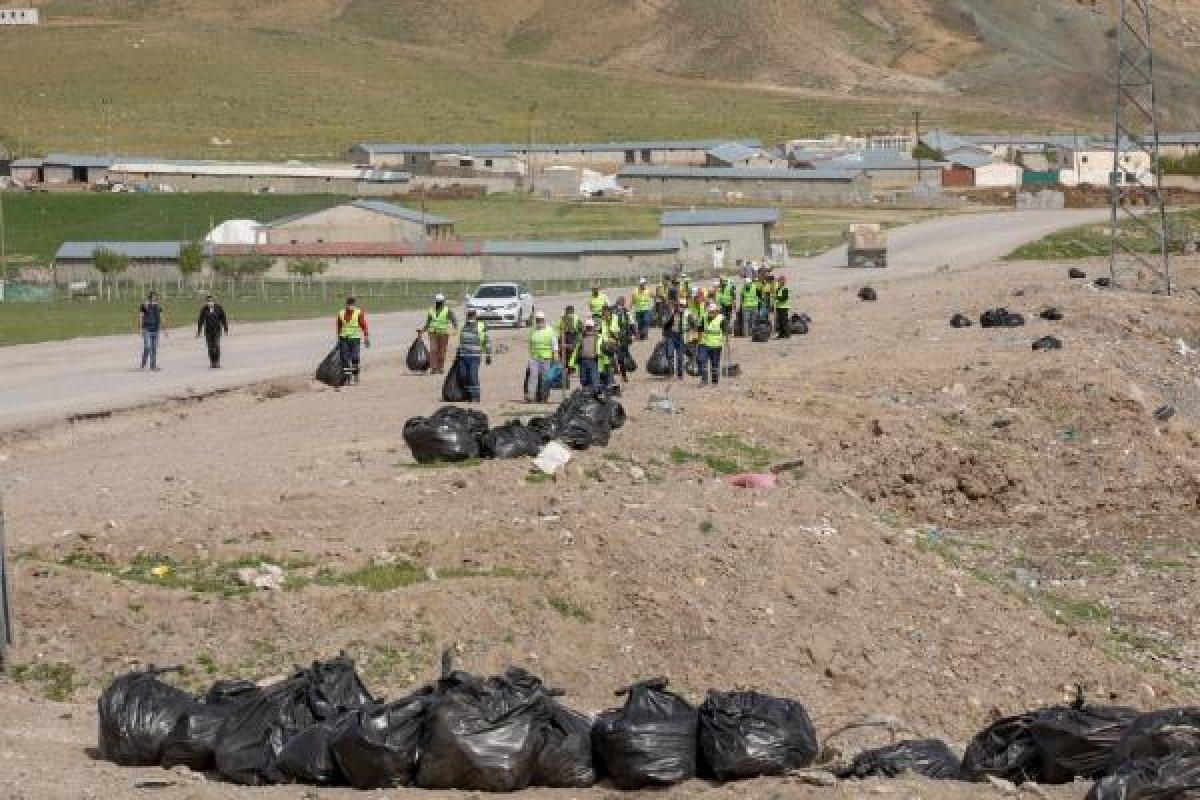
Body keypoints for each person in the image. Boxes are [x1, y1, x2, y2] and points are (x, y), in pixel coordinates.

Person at [456, 308, 491, 403]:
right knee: (463, 375)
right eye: (469, 314)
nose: (470, 316)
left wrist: (488, 354)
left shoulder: (481, 326)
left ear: (475, 315)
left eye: (472, 314)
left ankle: (475, 396)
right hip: (463, 356)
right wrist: (458, 353)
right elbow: (460, 341)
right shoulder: (463, 326)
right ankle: (467, 395)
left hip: (475, 356)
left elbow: (487, 340)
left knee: (472, 375)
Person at [336, 295, 370, 384]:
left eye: (352, 304)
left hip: (355, 339)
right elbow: (339, 326)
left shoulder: (358, 312)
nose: (351, 306)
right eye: (349, 304)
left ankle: (355, 375)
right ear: (346, 304)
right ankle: (348, 378)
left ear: (354, 304)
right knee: (345, 360)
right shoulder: (341, 313)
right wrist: (339, 339)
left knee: (355, 358)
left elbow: (363, 325)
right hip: (344, 339)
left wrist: (366, 337)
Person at [526, 311, 559, 403]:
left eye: (540, 320)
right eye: (537, 320)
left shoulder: (550, 330)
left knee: (545, 378)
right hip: (534, 358)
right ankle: (531, 396)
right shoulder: (533, 330)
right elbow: (530, 343)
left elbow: (554, 344)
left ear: (544, 320)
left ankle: (544, 397)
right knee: (533, 377)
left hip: (546, 358)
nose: (539, 322)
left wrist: (555, 354)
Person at [422, 293, 458, 374]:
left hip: (443, 334)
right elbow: (428, 322)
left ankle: (440, 367)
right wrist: (423, 330)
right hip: (433, 333)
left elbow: (454, 319)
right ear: (435, 302)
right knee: (433, 350)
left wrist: (456, 328)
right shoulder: (431, 310)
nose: (439, 303)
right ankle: (434, 368)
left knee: (442, 351)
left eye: (440, 301)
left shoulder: (447, 310)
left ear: (443, 302)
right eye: (437, 301)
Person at [569, 318, 609, 389]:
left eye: (590, 327)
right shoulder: (581, 337)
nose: (589, 329)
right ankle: (587, 394)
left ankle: (596, 394)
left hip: (594, 361)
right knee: (584, 380)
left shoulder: (599, 337)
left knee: (594, 379)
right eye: (588, 327)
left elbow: (605, 349)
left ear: (593, 327)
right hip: (582, 361)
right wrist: (571, 364)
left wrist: (606, 361)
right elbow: (575, 350)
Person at [195, 294, 229, 368]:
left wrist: (226, 329)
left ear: (214, 301)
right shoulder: (204, 309)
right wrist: (199, 331)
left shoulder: (219, 308)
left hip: (217, 330)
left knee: (216, 345)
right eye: (208, 301)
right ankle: (212, 362)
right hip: (208, 331)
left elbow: (223, 319)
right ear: (206, 301)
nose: (210, 302)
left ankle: (217, 362)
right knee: (210, 347)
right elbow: (200, 320)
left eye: (211, 300)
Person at [697, 302, 725, 387]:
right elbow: (700, 329)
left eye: (712, 312)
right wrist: (699, 341)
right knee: (702, 361)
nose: (711, 314)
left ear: (716, 312)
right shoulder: (704, 318)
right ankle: (704, 380)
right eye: (709, 312)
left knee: (715, 364)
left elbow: (725, 331)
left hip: (716, 345)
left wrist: (725, 337)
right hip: (704, 344)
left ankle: (715, 381)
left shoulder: (721, 319)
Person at [661, 296, 689, 379]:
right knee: (669, 354)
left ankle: (680, 374)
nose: (681, 307)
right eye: (680, 305)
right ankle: (671, 372)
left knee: (680, 356)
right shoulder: (670, 313)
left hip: (681, 336)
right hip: (670, 336)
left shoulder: (687, 314)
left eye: (683, 306)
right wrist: (672, 315)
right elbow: (665, 324)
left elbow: (693, 324)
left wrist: (688, 329)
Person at [556, 305, 583, 390]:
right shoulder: (576, 318)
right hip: (572, 338)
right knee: (572, 356)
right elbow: (581, 329)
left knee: (565, 357)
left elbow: (558, 328)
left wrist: (559, 340)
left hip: (565, 338)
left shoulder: (563, 318)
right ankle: (570, 370)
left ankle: (567, 372)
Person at [138, 291, 167, 371]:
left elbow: (161, 317)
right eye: (153, 297)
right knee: (147, 347)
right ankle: (143, 363)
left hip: (156, 329)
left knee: (154, 348)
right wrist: (140, 328)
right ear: (149, 298)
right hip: (146, 329)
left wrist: (164, 329)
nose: (155, 299)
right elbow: (140, 317)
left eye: (156, 298)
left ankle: (153, 366)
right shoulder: (144, 306)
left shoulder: (158, 306)